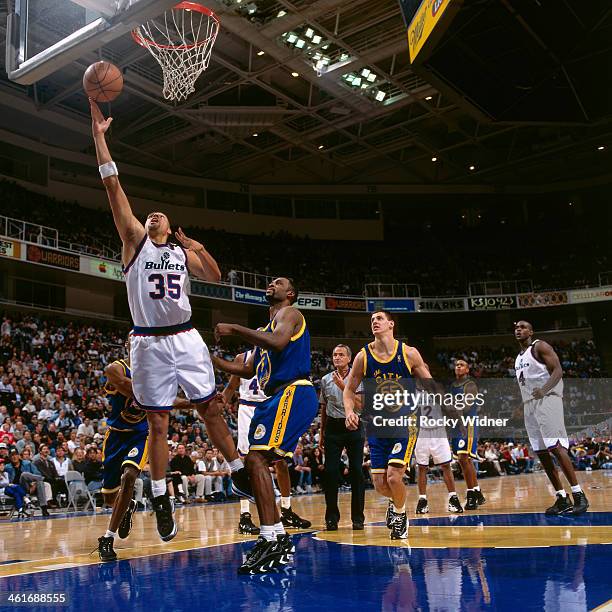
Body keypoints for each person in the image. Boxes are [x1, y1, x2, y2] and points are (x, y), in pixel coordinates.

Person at [89, 99, 252, 541]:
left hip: (186, 336)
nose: (154, 213)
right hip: (148, 342)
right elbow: (113, 187)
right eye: (150, 213)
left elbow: (216, 277)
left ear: (171, 225)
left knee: (212, 407)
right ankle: (160, 495)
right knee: (158, 423)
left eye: (162, 213)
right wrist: (100, 136)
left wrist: (197, 246)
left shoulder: (180, 251)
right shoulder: (133, 242)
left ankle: (238, 469)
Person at [212, 277, 319, 574]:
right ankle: (275, 536)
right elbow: (247, 369)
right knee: (254, 461)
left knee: (258, 459)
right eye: (270, 282)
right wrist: (212, 360)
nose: (272, 284)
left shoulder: (290, 314)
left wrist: (234, 329)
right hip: (274, 397)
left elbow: (278, 342)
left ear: (290, 294)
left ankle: (272, 536)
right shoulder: (264, 330)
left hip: (294, 390)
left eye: (279, 282)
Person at [343, 310, 432, 540]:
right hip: (377, 424)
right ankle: (395, 503)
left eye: (379, 319)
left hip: (405, 421)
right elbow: (349, 389)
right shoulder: (363, 356)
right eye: (372, 320)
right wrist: (350, 411)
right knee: (380, 485)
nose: (375, 322)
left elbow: (429, 383)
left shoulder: (409, 353)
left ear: (391, 324)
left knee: (394, 477)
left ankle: (401, 516)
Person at [222, 350, 310, 536]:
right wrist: (220, 404)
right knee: (247, 463)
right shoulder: (242, 358)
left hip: (272, 407)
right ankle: (245, 516)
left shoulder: (277, 355)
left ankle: (286, 509)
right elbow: (231, 387)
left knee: (282, 461)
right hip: (248, 409)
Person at [514, 321, 588, 515]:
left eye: (522, 327)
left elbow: (558, 371)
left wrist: (544, 390)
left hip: (548, 400)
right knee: (542, 452)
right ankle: (561, 497)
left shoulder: (540, 346)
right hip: (531, 405)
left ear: (531, 331)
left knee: (555, 447)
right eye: (516, 327)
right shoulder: (517, 358)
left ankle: (579, 495)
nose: (518, 329)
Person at [97, 340, 155, 562]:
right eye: (134, 339)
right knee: (110, 498)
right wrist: (157, 393)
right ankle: (128, 505)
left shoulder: (154, 373)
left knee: (129, 476)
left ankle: (107, 538)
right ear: (128, 344)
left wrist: (194, 403)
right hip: (115, 436)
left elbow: (165, 400)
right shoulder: (116, 367)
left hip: (139, 435)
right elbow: (130, 387)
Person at [319, 344, 365, 530]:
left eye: (341, 355)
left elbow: (361, 406)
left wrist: (344, 387)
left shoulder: (359, 378)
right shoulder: (324, 379)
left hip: (354, 425)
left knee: (356, 471)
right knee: (330, 472)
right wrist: (322, 432)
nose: (337, 357)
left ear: (349, 359)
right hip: (333, 427)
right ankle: (331, 518)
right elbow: (323, 407)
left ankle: (358, 518)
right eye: (334, 354)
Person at [414, 390, 463, 514]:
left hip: (439, 430)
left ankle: (453, 498)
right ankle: (422, 500)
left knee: (446, 465)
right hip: (421, 431)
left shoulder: (438, 389)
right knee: (421, 467)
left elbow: (449, 409)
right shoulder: (411, 391)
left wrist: (459, 422)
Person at [449, 360, 485, 510]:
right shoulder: (452, 386)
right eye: (456, 365)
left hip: (468, 423)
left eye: (461, 365)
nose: (458, 366)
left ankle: (471, 496)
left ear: (467, 369)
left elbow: (466, 406)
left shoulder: (469, 385)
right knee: (465, 461)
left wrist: (451, 410)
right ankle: (477, 492)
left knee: (464, 458)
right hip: (457, 425)